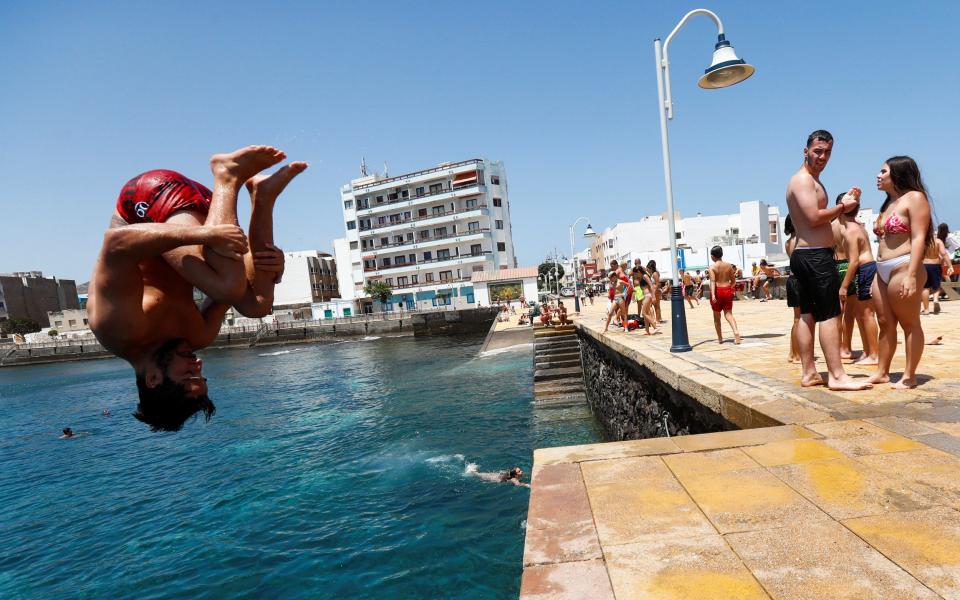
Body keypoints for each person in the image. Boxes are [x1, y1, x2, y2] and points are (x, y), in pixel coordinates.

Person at [89, 145, 306, 431]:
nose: (199, 364)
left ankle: (228, 175)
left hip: (144, 204)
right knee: (257, 305)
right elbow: (244, 282)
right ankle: (262, 196)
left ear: (153, 379)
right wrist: (272, 266)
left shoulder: (117, 328)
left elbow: (116, 243)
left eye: (190, 376)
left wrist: (203, 234)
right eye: (202, 377)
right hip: (205, 212)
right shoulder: (197, 336)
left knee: (225, 286)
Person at [785, 129, 870, 390]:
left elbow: (818, 217)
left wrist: (848, 203)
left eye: (828, 152)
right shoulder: (802, 181)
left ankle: (810, 373)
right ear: (806, 150)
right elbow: (813, 217)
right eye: (818, 151)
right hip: (814, 256)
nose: (822, 157)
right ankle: (837, 375)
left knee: (808, 315)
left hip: (807, 254)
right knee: (830, 315)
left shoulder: (811, 180)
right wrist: (842, 207)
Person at [869, 156, 934, 388]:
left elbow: (919, 238)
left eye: (883, 171)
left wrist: (912, 275)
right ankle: (882, 371)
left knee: (909, 323)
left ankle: (909, 375)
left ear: (898, 173)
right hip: (882, 270)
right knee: (885, 322)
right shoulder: (888, 204)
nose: (878, 175)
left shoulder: (915, 198)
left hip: (903, 266)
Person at [834, 193, 880, 365]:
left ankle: (873, 354)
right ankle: (868, 352)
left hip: (864, 269)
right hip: (866, 268)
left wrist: (844, 286)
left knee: (867, 314)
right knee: (862, 314)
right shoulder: (857, 226)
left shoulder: (851, 231)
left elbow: (853, 261)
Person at [708, 246, 741, 344]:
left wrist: (713, 295)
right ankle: (736, 332)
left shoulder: (712, 268)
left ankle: (720, 338)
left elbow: (713, 281)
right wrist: (730, 289)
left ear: (713, 257)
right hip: (727, 290)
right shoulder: (729, 266)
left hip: (717, 291)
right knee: (728, 314)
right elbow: (734, 281)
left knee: (717, 317)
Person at [921, 230, 953, 315]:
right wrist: (950, 266)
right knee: (936, 285)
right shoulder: (938, 241)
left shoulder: (922, 241)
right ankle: (935, 299)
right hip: (935, 265)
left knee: (925, 287)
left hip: (924, 265)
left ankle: (926, 309)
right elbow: (944, 253)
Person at [784, 216, 801, 362]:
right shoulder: (800, 239)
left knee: (796, 319)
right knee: (799, 319)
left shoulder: (787, 242)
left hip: (791, 279)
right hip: (799, 280)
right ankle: (796, 355)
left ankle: (792, 352)